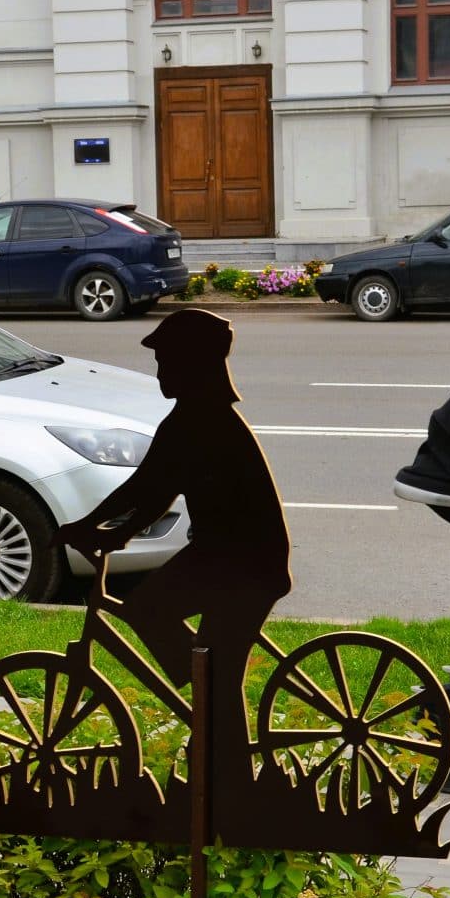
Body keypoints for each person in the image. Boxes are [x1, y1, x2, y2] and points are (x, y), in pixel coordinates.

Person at [53, 308, 292, 781]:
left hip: (242, 565)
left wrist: (87, 526)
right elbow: (155, 491)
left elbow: (143, 489)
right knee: (185, 641)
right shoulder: (194, 417)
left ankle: (226, 761)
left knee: (169, 630)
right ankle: (207, 711)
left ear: (194, 364)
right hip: (225, 556)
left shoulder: (201, 421)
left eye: (166, 361)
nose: (159, 372)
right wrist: (110, 532)